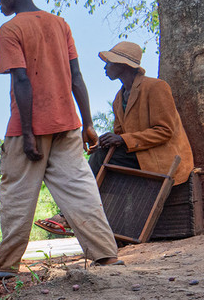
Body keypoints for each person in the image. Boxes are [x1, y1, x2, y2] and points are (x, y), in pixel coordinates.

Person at [0, 0, 122, 280]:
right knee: (81, 191)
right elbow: (77, 78)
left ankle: (5, 265)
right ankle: (106, 255)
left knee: (16, 194)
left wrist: (28, 133)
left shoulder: (10, 30)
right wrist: (87, 123)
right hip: (67, 123)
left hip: (28, 128)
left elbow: (22, 81)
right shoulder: (60, 24)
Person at [35, 41, 195, 236]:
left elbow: (165, 131)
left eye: (109, 62)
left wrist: (122, 140)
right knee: (101, 156)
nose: (105, 67)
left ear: (122, 65)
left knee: (104, 160)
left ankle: (71, 216)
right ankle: (101, 229)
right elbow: (120, 134)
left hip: (163, 157)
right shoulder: (119, 99)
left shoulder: (156, 87)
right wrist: (107, 141)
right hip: (139, 154)